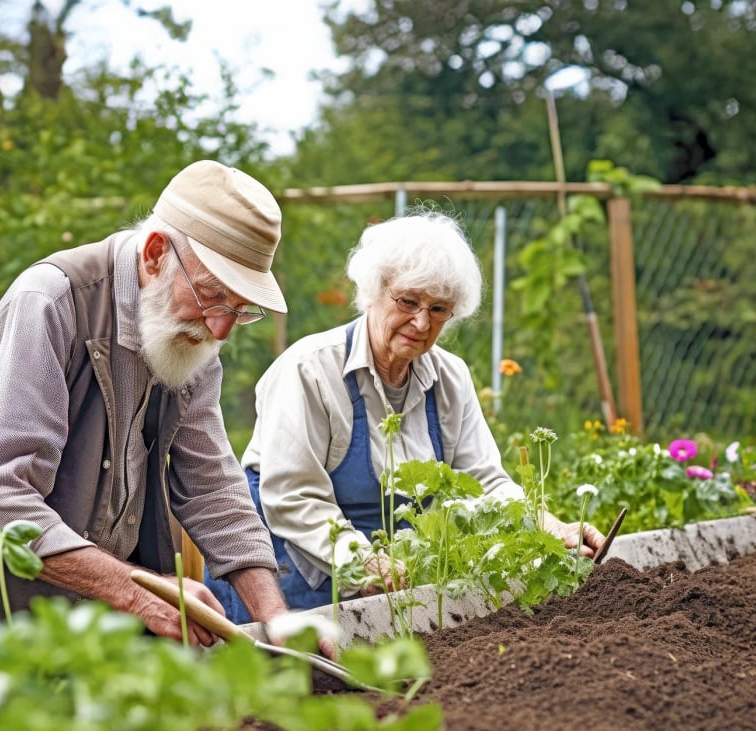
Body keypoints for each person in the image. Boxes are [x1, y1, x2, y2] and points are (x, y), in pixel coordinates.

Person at [0, 160, 304, 661]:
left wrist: (277, 618)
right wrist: (139, 593)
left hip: (81, 632)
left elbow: (211, 485)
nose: (222, 329)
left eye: (240, 308)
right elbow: (1, 495)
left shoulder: (191, 334)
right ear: (157, 253)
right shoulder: (52, 302)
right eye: (212, 294)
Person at [205, 212, 606, 622]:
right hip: (288, 572)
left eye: (438, 309)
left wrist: (549, 527)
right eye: (408, 301)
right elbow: (293, 496)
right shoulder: (311, 370)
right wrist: (365, 562)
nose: (421, 322)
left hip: (389, 581)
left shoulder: (450, 377)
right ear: (372, 292)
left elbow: (485, 483)